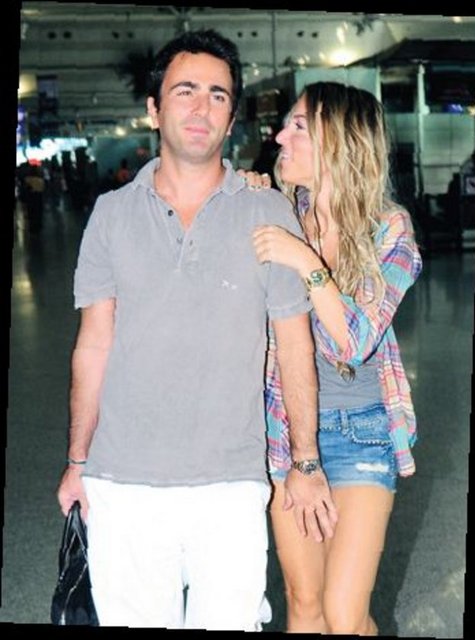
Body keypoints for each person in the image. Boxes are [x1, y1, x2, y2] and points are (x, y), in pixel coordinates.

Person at [56, 30, 337, 631]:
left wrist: (306, 461)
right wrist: (77, 460)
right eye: (184, 91)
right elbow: (94, 344)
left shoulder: (268, 211)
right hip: (123, 482)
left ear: (232, 117)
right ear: (153, 108)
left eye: (218, 95)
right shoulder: (110, 214)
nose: (201, 107)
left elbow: (295, 344)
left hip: (231, 485)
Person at [250, 81, 422, 634]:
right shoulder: (277, 213)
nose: (281, 136)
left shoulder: (390, 230)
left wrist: (306, 261)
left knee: (345, 616)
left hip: (363, 432)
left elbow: (355, 340)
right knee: (304, 604)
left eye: (299, 126)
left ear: (341, 142)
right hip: (286, 431)